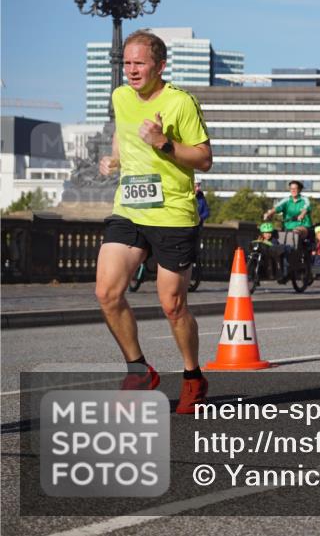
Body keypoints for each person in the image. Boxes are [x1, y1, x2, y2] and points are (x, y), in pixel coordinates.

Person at [95, 29, 212, 414]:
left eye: (139, 63)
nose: (131, 70)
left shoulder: (181, 103)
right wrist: (115, 159)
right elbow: (122, 135)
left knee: (173, 304)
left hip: (173, 213)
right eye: (126, 62)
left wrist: (163, 142)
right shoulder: (120, 96)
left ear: (160, 66)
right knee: (107, 293)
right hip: (128, 208)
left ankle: (193, 376)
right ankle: (138, 369)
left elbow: (204, 158)